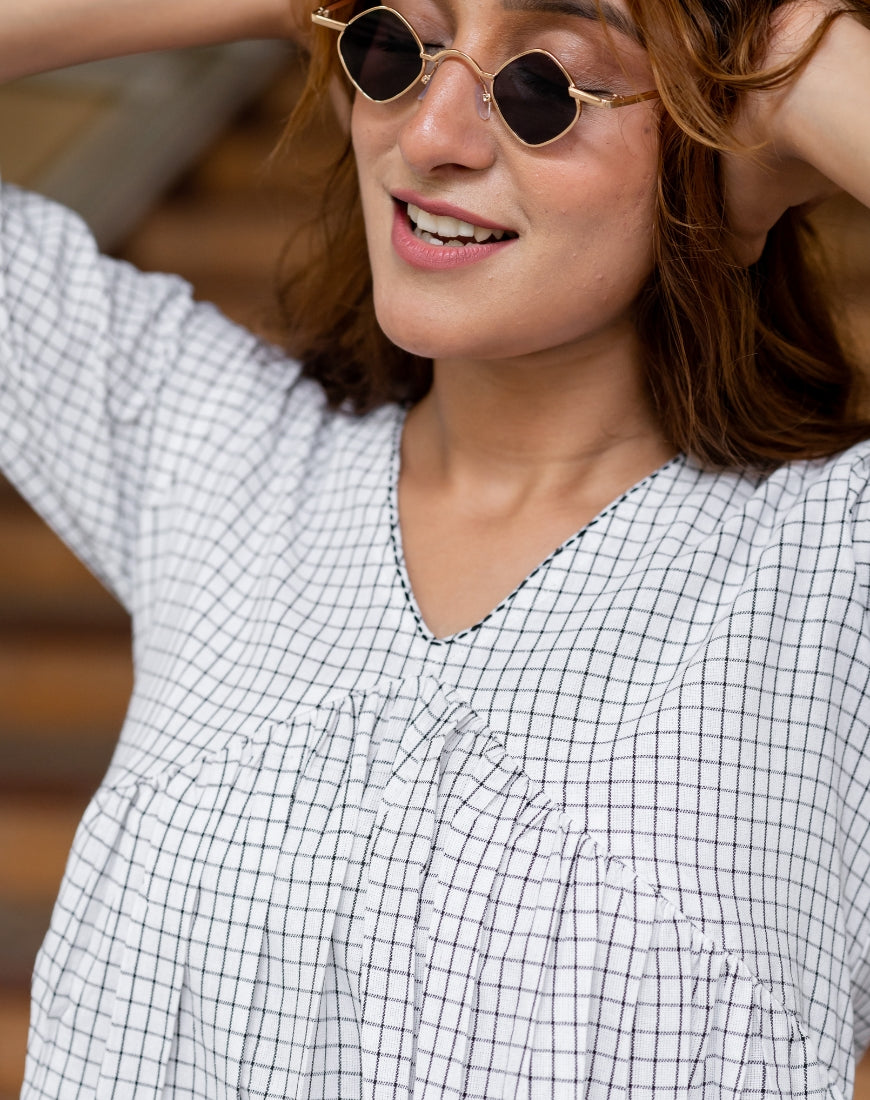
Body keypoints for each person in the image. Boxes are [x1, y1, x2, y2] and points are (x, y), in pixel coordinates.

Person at [3, 0, 870, 1094]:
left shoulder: (831, 576)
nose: (428, 135)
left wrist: (800, 59)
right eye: (395, 46)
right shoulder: (216, 446)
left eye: (543, 87)